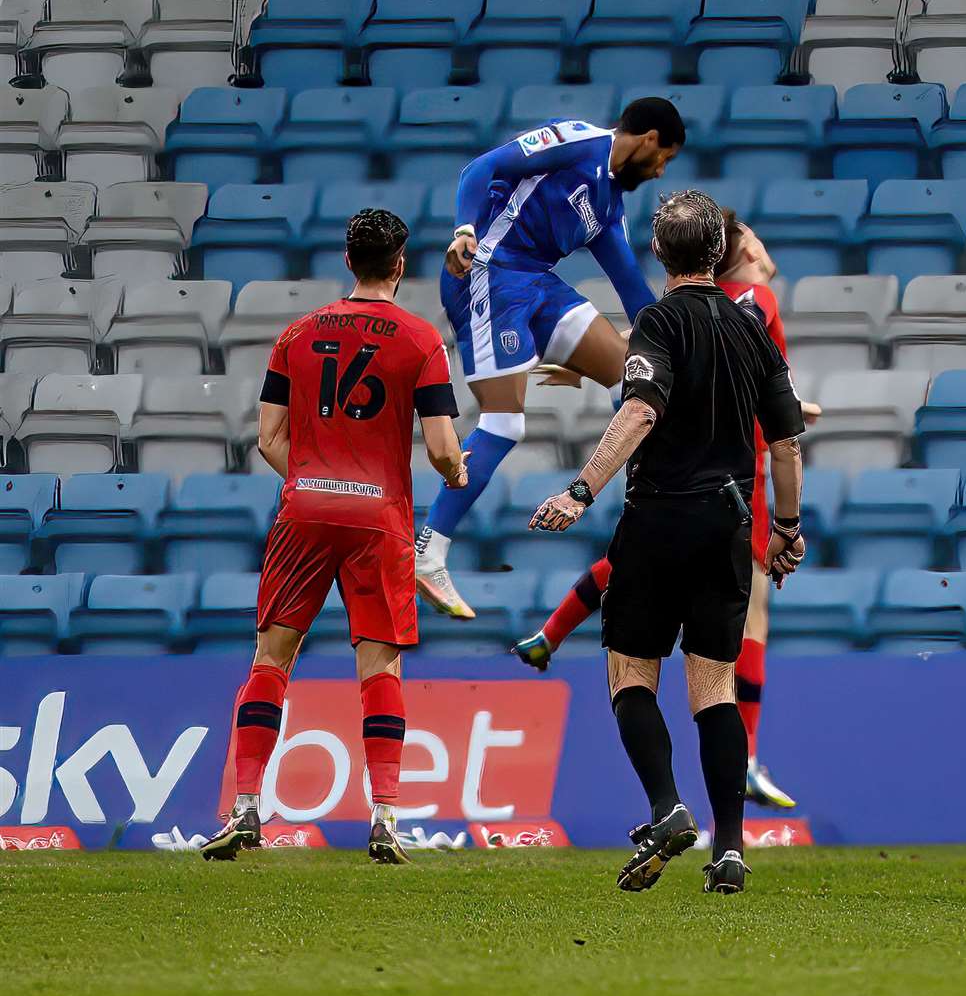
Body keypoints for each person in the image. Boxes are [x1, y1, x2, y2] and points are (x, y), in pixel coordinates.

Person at [529, 190, 807, 895]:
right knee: (713, 687)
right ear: (721, 251)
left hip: (658, 520)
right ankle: (732, 849)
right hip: (729, 525)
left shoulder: (657, 320)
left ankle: (666, 807)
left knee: (630, 675)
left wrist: (581, 489)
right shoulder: (753, 328)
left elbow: (641, 411)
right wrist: (787, 530)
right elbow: (785, 444)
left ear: (659, 252)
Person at [200, 208, 469, 865]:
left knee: (271, 659)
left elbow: (268, 438)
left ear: (348, 261)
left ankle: (245, 810)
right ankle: (383, 819)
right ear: (400, 265)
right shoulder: (420, 340)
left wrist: (316, 483)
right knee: (380, 666)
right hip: (379, 521)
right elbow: (440, 451)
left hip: (305, 512)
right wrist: (460, 472)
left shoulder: (297, 333)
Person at [415, 97, 685, 619]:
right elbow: (481, 167)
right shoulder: (577, 140)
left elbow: (632, 288)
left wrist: (682, 338)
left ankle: (654, 497)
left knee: (634, 370)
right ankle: (430, 552)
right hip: (489, 273)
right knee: (504, 421)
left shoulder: (608, 208)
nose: (659, 171)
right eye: (665, 159)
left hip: (536, 282)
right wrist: (464, 229)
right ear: (650, 140)